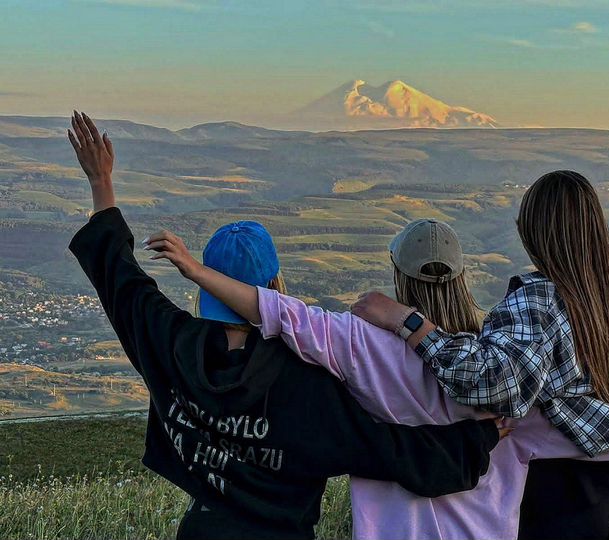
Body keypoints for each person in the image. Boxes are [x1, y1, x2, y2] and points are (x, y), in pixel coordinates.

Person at [66, 111, 503, 540]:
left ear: (208, 290)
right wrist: (479, 437)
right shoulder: (303, 384)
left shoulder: (171, 344)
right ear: (274, 285)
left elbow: (120, 280)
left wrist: (101, 183)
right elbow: (391, 452)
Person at [146, 214, 609, 540]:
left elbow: (287, 318)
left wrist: (196, 271)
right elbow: (568, 433)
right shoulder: (502, 363)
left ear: (397, 275)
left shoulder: (361, 347)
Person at [349, 171, 609, 540]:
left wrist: (409, 322)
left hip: (556, 495)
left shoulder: (536, 303)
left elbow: (493, 383)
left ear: (530, 232)